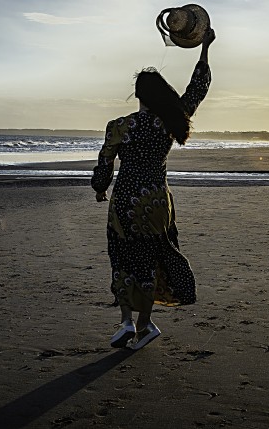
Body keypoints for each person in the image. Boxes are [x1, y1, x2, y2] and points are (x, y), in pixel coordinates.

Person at [92, 28, 216, 350]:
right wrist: (204, 49)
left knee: (122, 258)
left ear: (138, 96)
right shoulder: (168, 122)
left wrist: (100, 188)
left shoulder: (119, 126)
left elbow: (105, 162)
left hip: (124, 202)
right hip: (157, 202)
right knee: (148, 259)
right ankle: (145, 325)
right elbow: (196, 91)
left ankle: (126, 322)